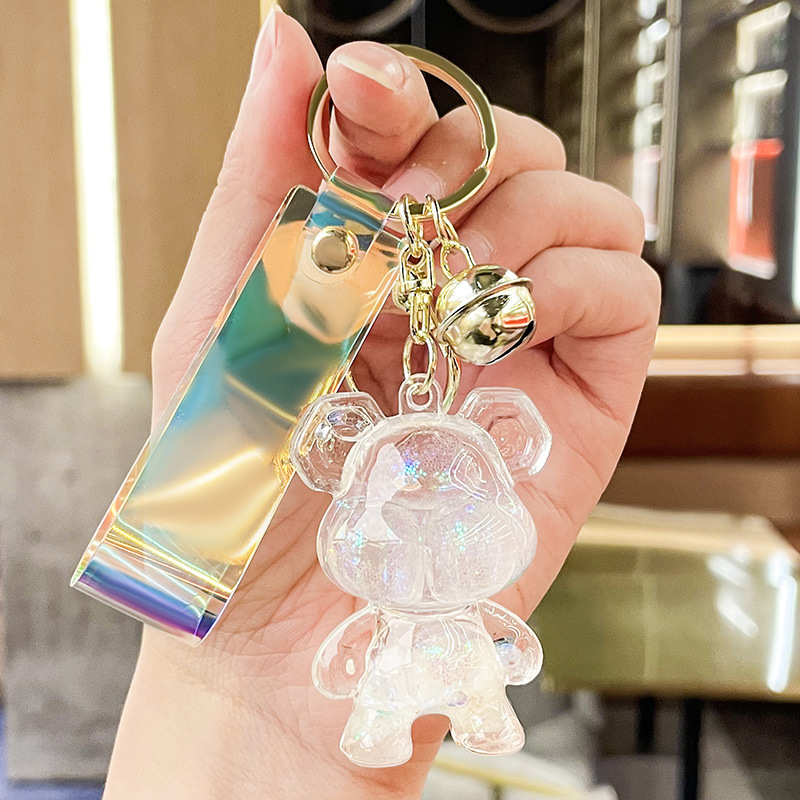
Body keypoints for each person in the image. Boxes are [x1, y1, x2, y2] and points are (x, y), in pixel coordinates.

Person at [103, 8, 659, 798]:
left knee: (471, 698)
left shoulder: (456, 510)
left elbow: (508, 644)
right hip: (299, 629)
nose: (423, 532)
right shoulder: (272, 371)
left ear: (508, 440)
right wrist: (224, 685)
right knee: (385, 699)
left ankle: (466, 715)